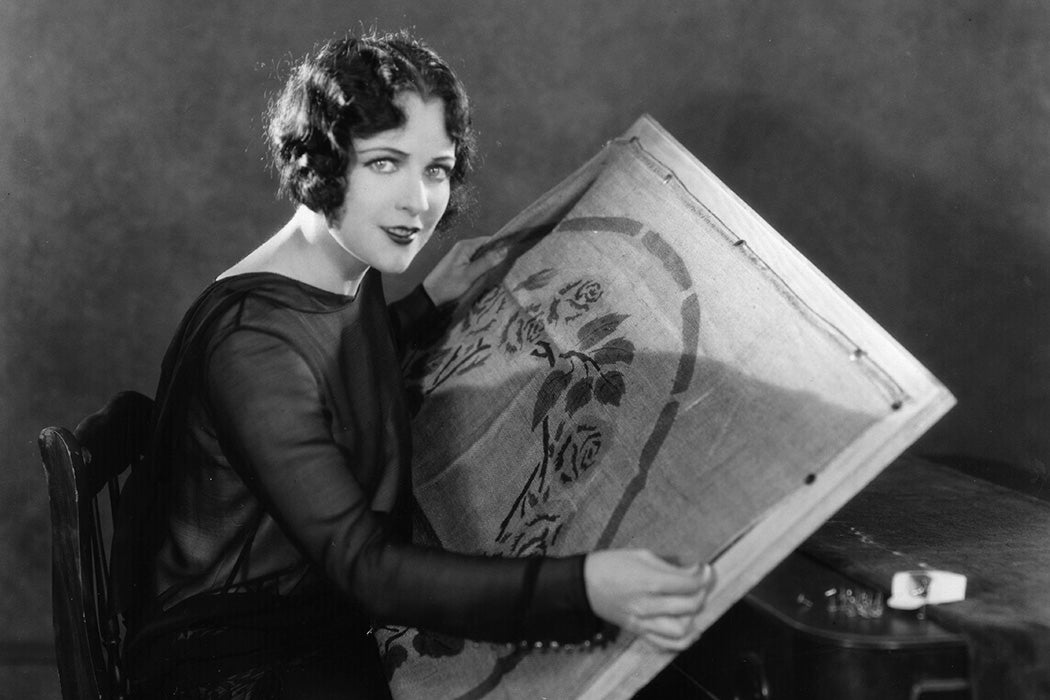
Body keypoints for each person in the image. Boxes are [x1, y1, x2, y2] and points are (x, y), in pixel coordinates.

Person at [116, 29, 715, 699]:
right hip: (231, 656)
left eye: (435, 168)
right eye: (384, 163)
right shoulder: (252, 343)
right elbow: (369, 571)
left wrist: (426, 303)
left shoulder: (346, 264)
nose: (417, 202)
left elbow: (332, 378)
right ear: (324, 160)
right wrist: (586, 586)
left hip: (308, 612)